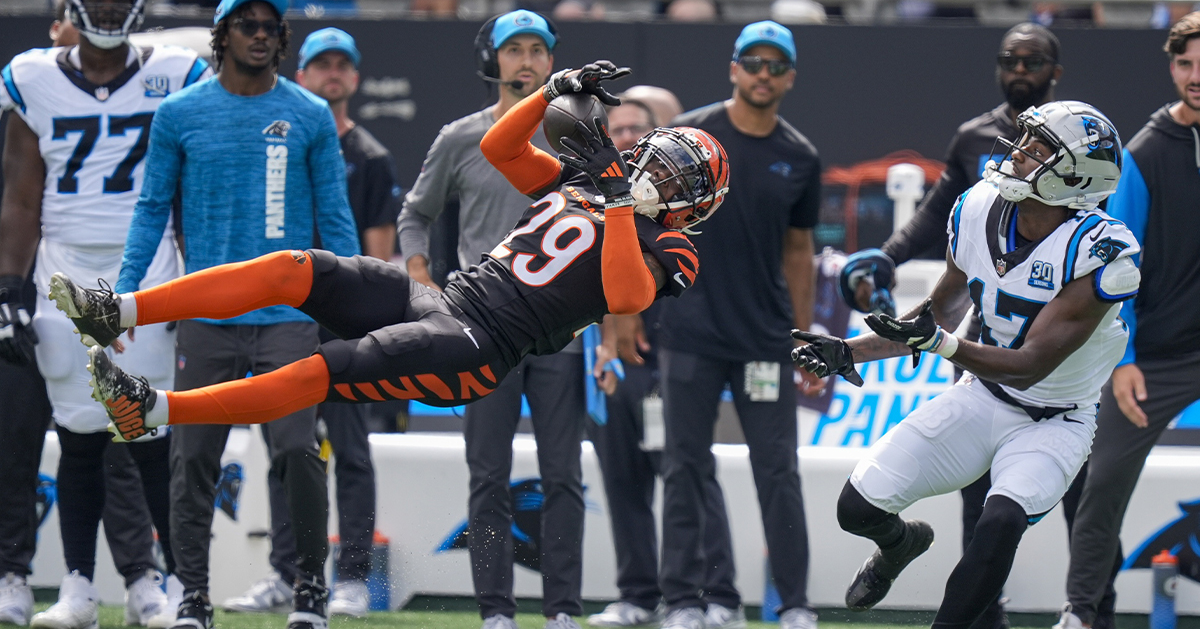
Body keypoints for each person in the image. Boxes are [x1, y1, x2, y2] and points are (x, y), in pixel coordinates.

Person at [49, 72, 728, 624]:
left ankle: (155, 409)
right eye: (659, 166)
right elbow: (500, 148)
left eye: (675, 183)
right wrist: (550, 91)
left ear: (692, 208)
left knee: (323, 368)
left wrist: (616, 201)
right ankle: (119, 310)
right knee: (295, 267)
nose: (657, 180)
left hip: (477, 347)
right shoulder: (580, 184)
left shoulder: (668, 245)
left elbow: (623, 292)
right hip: (449, 300)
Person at [793, 100, 1139, 629]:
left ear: (1074, 176)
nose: (1019, 153)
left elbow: (1029, 365)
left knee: (999, 520)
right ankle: (899, 546)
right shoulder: (978, 205)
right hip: (981, 396)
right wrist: (849, 349)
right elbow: (942, 309)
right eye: (1024, 140)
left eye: (1039, 149)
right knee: (856, 508)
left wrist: (941, 345)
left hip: (1054, 419)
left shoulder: (1101, 252)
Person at [110, 0, 361, 629]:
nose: (259, 32)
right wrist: (124, 300)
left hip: (288, 320)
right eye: (245, 22)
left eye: (270, 24)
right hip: (207, 319)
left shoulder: (308, 114)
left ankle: (309, 590)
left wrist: (355, 305)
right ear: (221, 36)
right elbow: (150, 213)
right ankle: (191, 595)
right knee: (191, 458)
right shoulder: (180, 115)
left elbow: (335, 220)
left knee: (296, 453)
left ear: (282, 38)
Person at [870, 21, 1116, 629]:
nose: (1020, 70)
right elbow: (940, 228)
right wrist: (887, 258)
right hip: (987, 358)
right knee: (981, 503)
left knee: (1082, 505)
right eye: (1010, 59)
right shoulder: (979, 157)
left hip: (1063, 369)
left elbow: (1093, 265)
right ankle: (984, 620)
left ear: (1054, 70)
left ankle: (1094, 613)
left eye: (1033, 61)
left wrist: (940, 341)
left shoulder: (1091, 174)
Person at [0, 0, 211, 627]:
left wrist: (196, 280)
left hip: (145, 267)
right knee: (80, 435)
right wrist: (10, 286)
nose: (110, 5)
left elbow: (191, 187)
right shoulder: (34, 77)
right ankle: (78, 586)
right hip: (62, 268)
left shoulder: (174, 72)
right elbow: (21, 195)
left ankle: (179, 583)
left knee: (147, 430)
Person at [395, 9, 590, 629]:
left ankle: (562, 610)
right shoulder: (461, 137)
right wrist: (421, 279)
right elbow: (413, 215)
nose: (527, 60)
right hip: (483, 331)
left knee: (564, 476)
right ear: (494, 60)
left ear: (553, 60)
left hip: (561, 333)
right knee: (488, 475)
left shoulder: (580, 135)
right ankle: (495, 612)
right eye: (515, 50)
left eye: (538, 49)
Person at [220, 26, 396, 620]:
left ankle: (350, 578)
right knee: (286, 450)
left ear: (355, 76)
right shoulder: (281, 142)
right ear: (303, 74)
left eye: (342, 64)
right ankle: (285, 574)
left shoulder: (370, 157)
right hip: (282, 323)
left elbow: (377, 254)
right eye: (321, 64)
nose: (332, 74)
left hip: (344, 325)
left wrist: (367, 324)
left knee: (350, 451)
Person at [655, 20, 820, 629]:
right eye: (753, 62)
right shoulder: (689, 138)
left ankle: (795, 603)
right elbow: (650, 226)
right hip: (689, 332)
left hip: (764, 342)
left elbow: (799, 252)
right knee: (684, 467)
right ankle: (687, 600)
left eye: (776, 66)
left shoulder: (799, 156)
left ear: (790, 78)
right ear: (733, 68)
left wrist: (802, 339)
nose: (763, 74)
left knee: (778, 473)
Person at [1054, 12, 1200, 629]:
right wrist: (1126, 359)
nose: (1197, 76)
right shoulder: (1142, 155)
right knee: (1101, 487)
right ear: (1171, 68)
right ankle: (1081, 614)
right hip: (1156, 361)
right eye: (1187, 63)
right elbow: (1116, 267)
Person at [585, 94, 737, 629]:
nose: (624, 138)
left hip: (678, 350)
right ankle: (637, 593)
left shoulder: (692, 201)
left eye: (636, 128)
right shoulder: (597, 195)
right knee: (621, 470)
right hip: (617, 355)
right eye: (616, 128)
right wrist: (605, 337)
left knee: (689, 473)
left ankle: (713, 592)